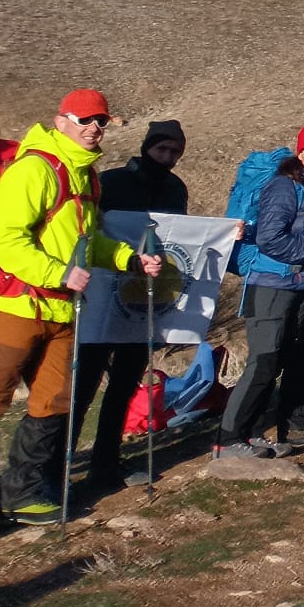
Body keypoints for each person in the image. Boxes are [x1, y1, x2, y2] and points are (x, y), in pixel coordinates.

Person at [0, 90, 162, 536]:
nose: (94, 128)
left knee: (52, 399)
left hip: (64, 308)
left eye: (101, 121)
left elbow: (87, 242)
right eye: (85, 119)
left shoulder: (85, 175)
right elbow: (7, 241)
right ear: (61, 121)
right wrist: (59, 273)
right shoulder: (34, 169)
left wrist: (129, 259)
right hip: (15, 304)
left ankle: (24, 493)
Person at [215, 122, 304, 460]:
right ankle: (228, 439)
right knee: (263, 361)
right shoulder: (284, 186)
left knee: (277, 361)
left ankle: (251, 434)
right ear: (300, 153)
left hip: (301, 284)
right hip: (271, 284)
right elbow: (270, 239)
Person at [72, 118, 190, 489]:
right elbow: (91, 228)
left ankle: (106, 462)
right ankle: (58, 461)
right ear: (146, 147)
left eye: (175, 151)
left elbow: (182, 236)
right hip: (103, 296)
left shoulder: (176, 188)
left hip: (143, 301)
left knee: (124, 384)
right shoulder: (112, 182)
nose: (167, 156)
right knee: (84, 382)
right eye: (161, 148)